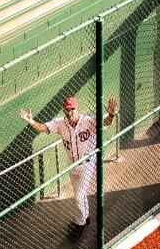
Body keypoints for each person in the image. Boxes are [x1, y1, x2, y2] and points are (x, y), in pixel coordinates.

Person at [19, 96, 117, 241]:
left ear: (77, 108)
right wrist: (30, 121)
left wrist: (111, 114)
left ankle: (81, 223)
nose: (70, 112)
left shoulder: (89, 121)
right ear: (64, 110)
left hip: (87, 163)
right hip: (72, 165)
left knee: (78, 197)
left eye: (72, 109)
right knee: (80, 196)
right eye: (67, 109)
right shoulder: (60, 123)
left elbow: (105, 122)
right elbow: (43, 128)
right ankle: (86, 216)